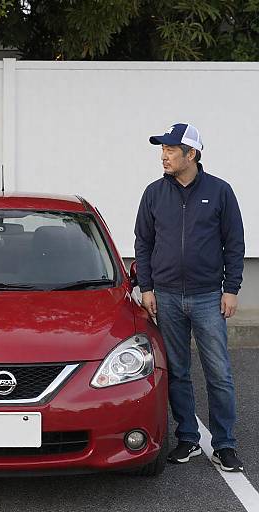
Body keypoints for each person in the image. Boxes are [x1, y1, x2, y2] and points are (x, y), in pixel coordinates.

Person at [134, 123, 245, 472]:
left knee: (219, 372)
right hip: (165, 296)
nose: (163, 156)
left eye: (170, 150)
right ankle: (188, 438)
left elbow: (234, 244)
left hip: (208, 296)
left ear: (191, 154)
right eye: (161, 150)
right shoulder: (153, 193)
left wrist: (231, 289)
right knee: (178, 372)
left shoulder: (220, 192)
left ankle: (225, 444)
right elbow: (143, 243)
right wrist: (147, 288)